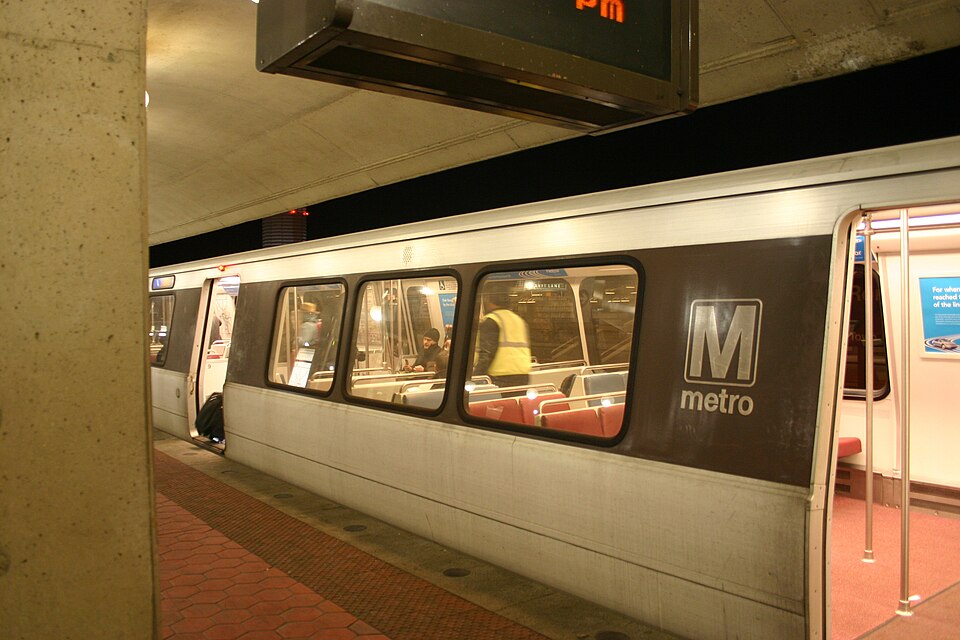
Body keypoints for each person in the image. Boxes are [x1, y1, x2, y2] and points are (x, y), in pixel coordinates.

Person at [472, 286, 531, 387]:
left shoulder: (491, 320)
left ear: (490, 300)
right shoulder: (520, 320)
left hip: (500, 376)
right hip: (523, 375)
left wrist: (475, 378)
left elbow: (486, 354)